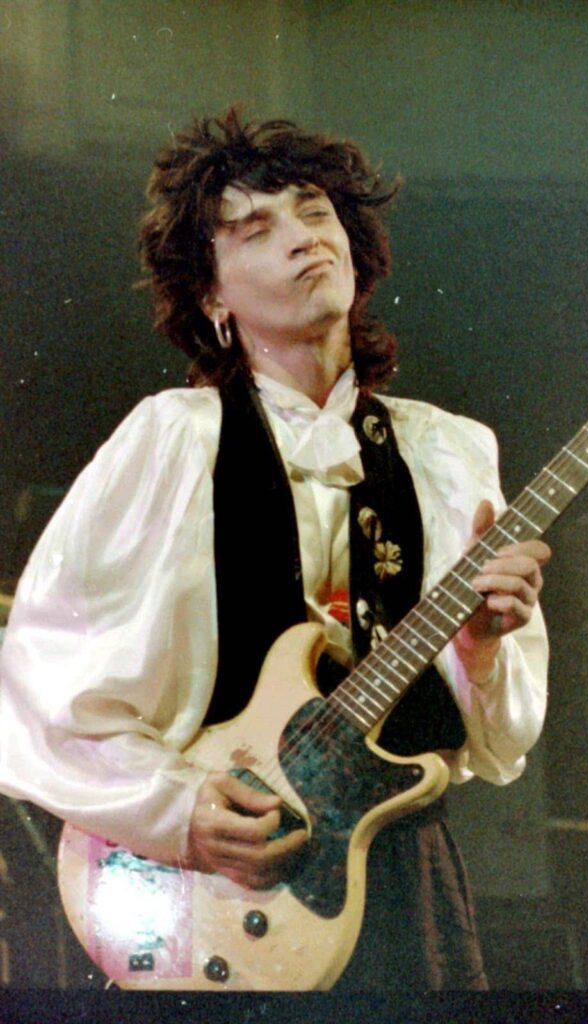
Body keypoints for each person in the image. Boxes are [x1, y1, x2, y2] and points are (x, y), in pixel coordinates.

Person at [0, 109, 549, 990]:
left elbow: (501, 743)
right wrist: (178, 811)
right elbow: (38, 682)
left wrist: (481, 654)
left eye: (316, 212)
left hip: (398, 881)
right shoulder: (174, 440)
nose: (304, 238)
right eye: (257, 230)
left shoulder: (449, 452)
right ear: (211, 296)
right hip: (216, 884)